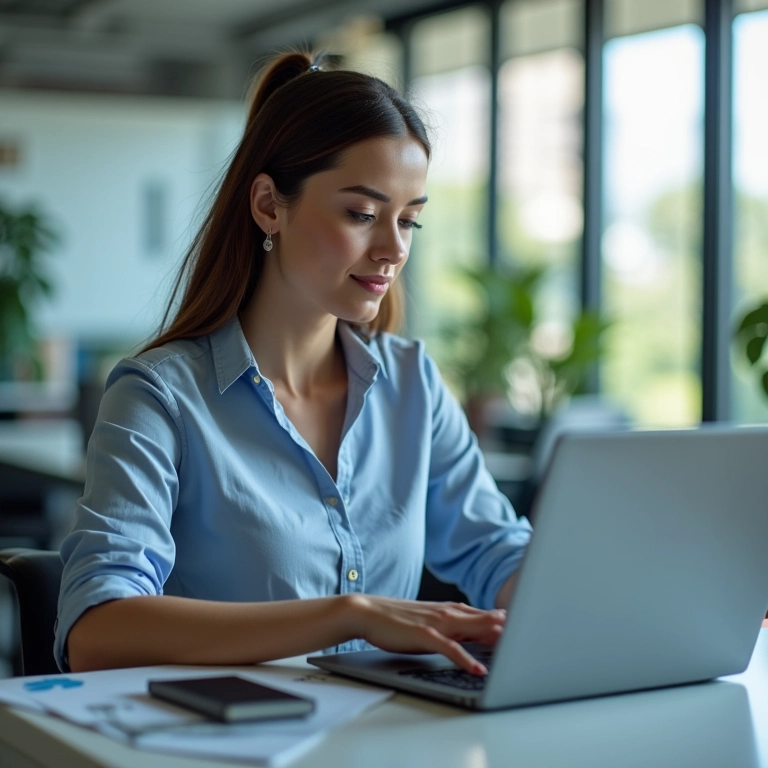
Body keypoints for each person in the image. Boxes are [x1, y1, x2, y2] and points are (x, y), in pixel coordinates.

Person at [55, 51, 532, 678]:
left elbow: (495, 553)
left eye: (410, 220)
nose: (393, 249)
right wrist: (350, 615)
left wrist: (575, 602)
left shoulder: (412, 382)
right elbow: (97, 628)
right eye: (362, 214)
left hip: (388, 736)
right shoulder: (159, 398)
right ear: (267, 206)